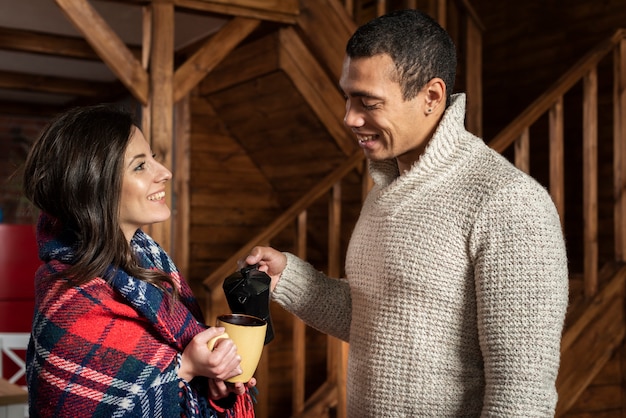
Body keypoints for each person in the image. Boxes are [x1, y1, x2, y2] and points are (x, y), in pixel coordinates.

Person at [244, 9, 569, 417]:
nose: (349, 117)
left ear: (432, 97)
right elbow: (375, 319)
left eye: (369, 103)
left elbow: (521, 395)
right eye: (347, 97)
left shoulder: (508, 202)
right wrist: (289, 276)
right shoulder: (385, 191)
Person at [22, 104, 256, 417]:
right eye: (140, 166)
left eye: (153, 159)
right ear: (95, 187)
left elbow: (182, 388)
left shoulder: (149, 264)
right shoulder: (70, 298)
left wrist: (212, 384)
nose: (165, 173)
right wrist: (185, 368)